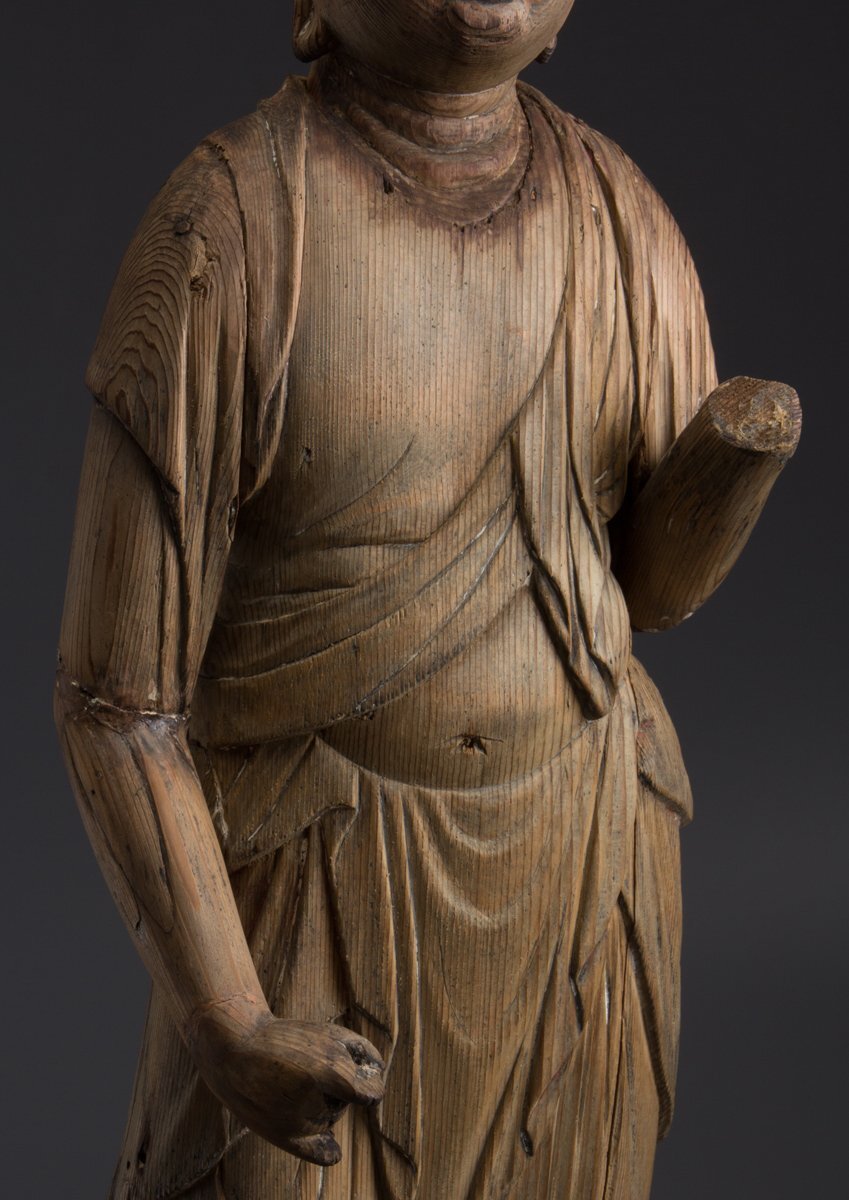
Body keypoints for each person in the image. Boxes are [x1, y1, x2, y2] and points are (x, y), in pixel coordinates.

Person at [55, 2, 774, 1197]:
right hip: (314, 892)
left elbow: (647, 593)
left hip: (580, 869)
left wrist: (734, 466)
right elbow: (117, 701)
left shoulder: (621, 218)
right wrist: (229, 1016)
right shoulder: (230, 227)